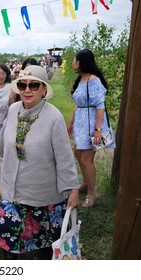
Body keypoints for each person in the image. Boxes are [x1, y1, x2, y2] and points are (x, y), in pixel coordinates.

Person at [0, 65, 79, 260]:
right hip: (12, 189)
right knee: (8, 231)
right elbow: (4, 143)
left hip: (43, 193)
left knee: (46, 244)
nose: (27, 90)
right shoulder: (13, 110)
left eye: (34, 85)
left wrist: (73, 189)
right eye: (22, 85)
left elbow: (65, 157)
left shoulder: (54, 117)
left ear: (44, 89)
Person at [67, 49, 115, 208]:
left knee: (86, 160)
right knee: (77, 153)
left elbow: (100, 105)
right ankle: (87, 182)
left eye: (74, 59)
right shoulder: (81, 79)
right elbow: (79, 105)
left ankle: (91, 194)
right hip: (81, 122)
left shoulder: (93, 79)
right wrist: (71, 123)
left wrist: (98, 129)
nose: (73, 62)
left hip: (91, 123)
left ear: (80, 62)